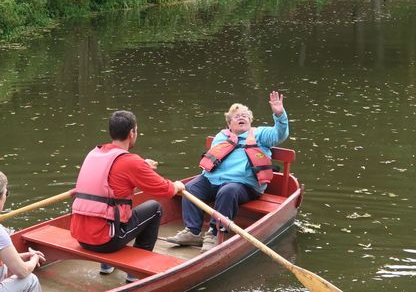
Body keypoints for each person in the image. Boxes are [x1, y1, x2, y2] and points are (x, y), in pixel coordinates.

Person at [70, 110, 186, 282]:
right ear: (132, 133)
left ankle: (106, 266)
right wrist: (177, 186)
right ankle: (135, 273)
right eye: (136, 131)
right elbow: (165, 190)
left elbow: (115, 174)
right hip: (105, 242)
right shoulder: (131, 162)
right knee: (155, 208)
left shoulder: (95, 153)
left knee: (110, 210)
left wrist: (142, 165)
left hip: (80, 235)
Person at [165, 91, 289, 251]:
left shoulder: (261, 135)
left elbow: (280, 133)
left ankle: (214, 233)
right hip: (213, 180)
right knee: (190, 188)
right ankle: (193, 232)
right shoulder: (221, 136)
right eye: (236, 116)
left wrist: (279, 115)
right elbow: (213, 160)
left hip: (243, 185)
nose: (241, 117)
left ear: (250, 121)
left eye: (245, 115)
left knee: (227, 191)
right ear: (229, 123)